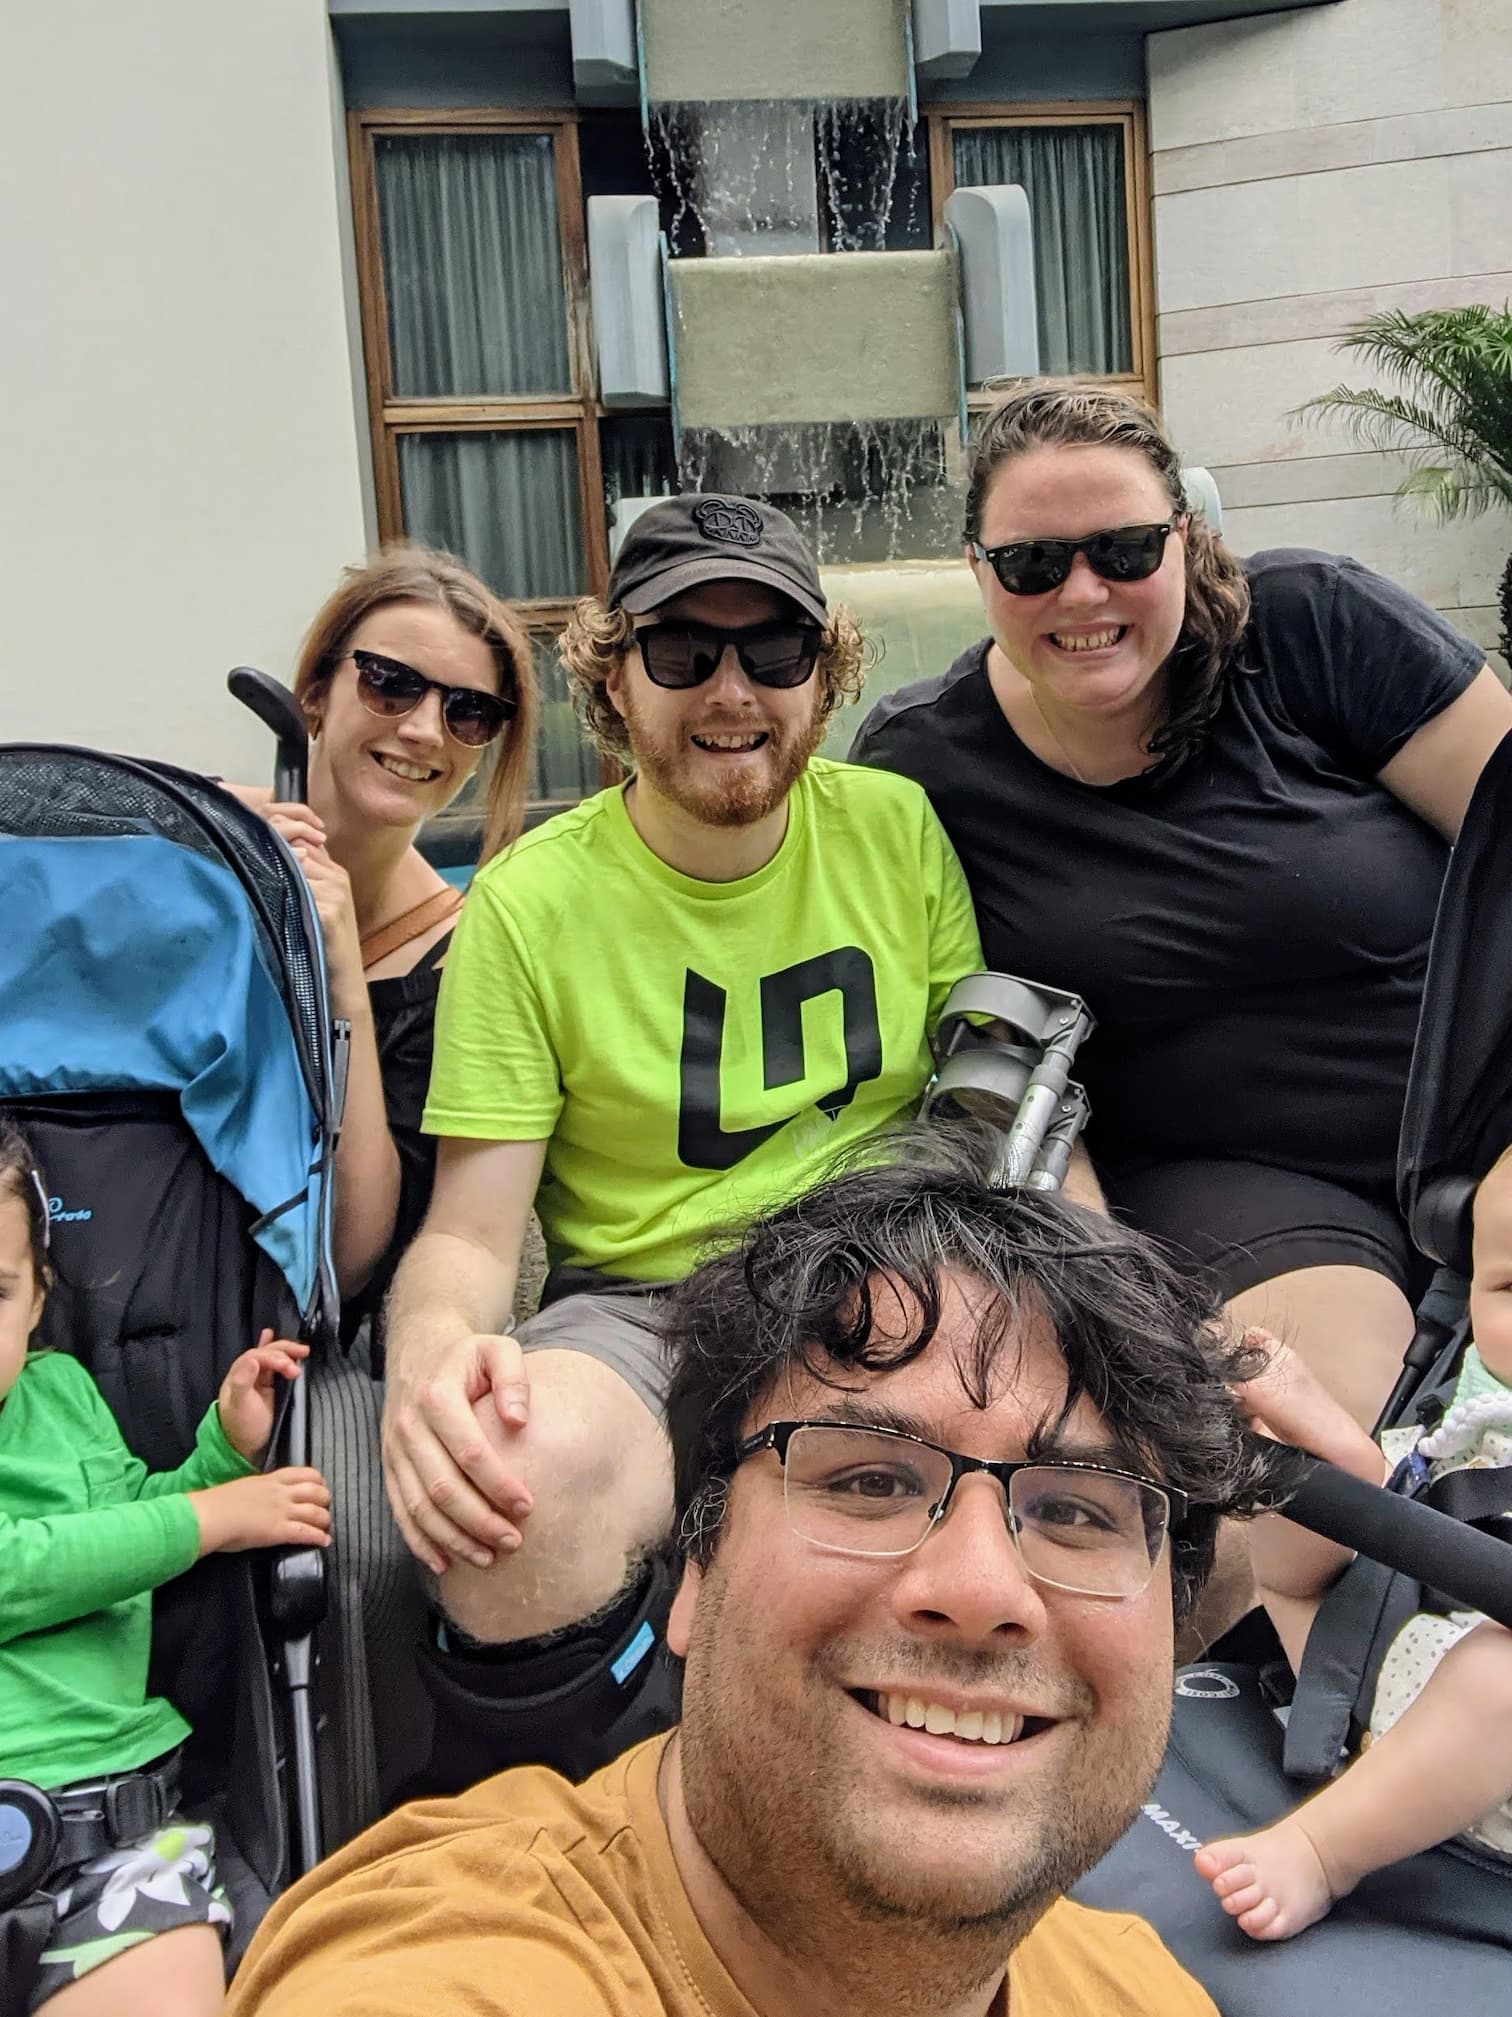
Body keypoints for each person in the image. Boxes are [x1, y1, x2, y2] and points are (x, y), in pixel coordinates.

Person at [225, 1133, 1273, 2016]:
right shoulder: (448, 1971)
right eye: (870, 1480)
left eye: (1078, 1509)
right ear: (697, 1564)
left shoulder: (1141, 1990)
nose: (981, 1589)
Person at [380, 493, 991, 1790]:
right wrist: (426, 1362)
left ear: (826, 672)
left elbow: (990, 1118)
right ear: (614, 676)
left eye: (774, 651)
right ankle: (585, 1816)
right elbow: (471, 1231)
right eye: (682, 652)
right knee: (506, 1489)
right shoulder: (531, 902)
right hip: (645, 1310)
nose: (732, 690)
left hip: (890, 1276)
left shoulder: (896, 828)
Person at [852, 379, 1512, 1444]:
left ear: (1184, 536)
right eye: (1032, 564)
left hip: (1484, 1114)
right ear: (978, 572)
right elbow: (937, 1029)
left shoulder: (1313, 627)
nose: (1083, 594)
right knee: (1320, 1433)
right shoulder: (923, 763)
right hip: (1240, 1184)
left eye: (1124, 550)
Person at [0, 1118, 333, 2014]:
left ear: (36, 1301)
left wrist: (221, 1454)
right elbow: (19, 1568)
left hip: (109, 1826)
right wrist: (211, 1518)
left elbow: (130, 1531)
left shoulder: (64, 1395)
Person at [1196, 1143, 1512, 1938]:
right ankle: (1323, 1450)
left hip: (1490, 1753)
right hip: (1357, 1671)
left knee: (1504, 1678)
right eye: (1511, 1289)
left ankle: (1322, 1850)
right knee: (1304, 1538)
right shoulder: (1479, 1407)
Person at [232, 546, 537, 1333]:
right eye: (390, 682)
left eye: (469, 711)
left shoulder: (465, 955)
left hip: (309, 1345)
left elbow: (355, 1257)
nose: (425, 729)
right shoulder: (195, 845)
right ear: (313, 693)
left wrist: (341, 974)